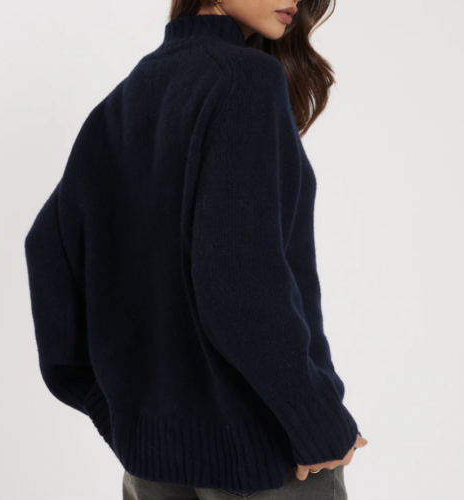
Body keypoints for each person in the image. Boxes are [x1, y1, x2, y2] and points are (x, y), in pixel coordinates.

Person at [24, 0, 368, 499]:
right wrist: (314, 421)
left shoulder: (127, 97)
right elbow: (236, 279)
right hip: (269, 456)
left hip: (152, 467)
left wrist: (119, 416)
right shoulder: (245, 78)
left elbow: (47, 252)